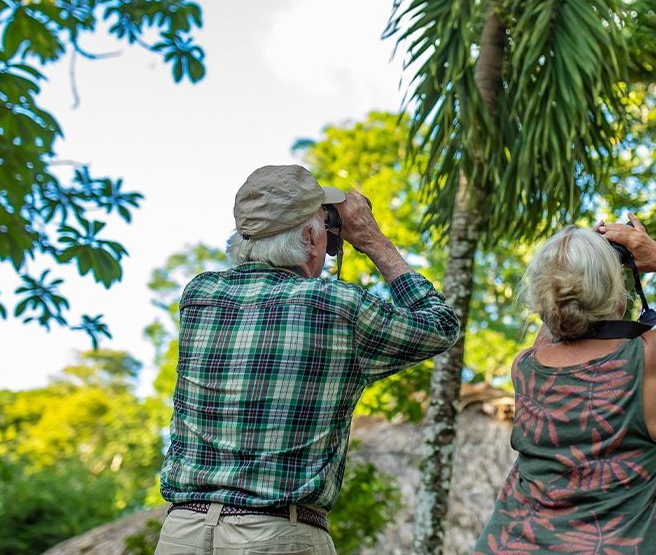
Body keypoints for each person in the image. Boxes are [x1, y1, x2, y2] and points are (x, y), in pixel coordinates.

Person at [155, 164, 459, 555]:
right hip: (276, 534)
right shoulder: (338, 306)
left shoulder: (200, 296)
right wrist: (371, 239)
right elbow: (441, 325)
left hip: (184, 532)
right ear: (309, 238)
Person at [475, 217, 656, 554]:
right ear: (617, 292)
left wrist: (574, 267)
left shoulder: (527, 367)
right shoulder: (651, 360)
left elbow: (559, 326)